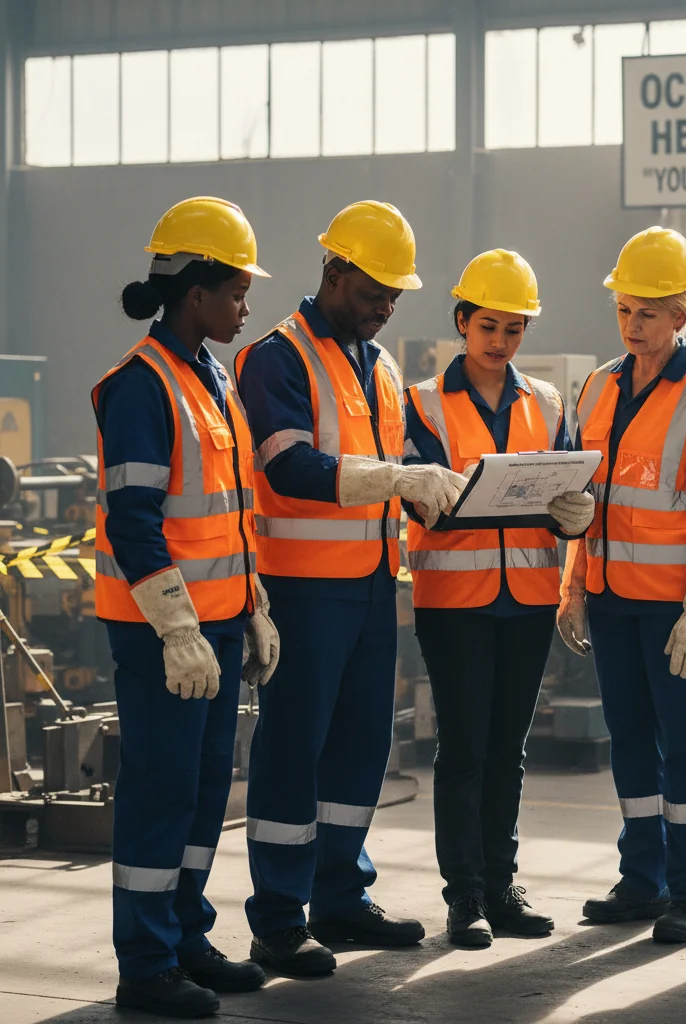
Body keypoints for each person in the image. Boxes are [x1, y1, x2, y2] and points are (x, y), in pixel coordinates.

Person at [234, 200, 466, 977]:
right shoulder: (275, 357)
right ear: (334, 273)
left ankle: (338, 896)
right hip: (302, 592)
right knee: (293, 753)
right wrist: (399, 476)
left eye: (395, 295)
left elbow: (406, 463)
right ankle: (276, 918)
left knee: (364, 749)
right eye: (375, 291)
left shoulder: (383, 363)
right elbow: (288, 467)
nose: (386, 306)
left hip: (371, 589)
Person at [93, 197, 278, 1018]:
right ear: (196, 292)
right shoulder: (140, 387)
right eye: (237, 290)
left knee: (206, 790)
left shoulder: (211, 379)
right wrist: (176, 627)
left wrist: (254, 608)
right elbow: (131, 521)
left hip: (218, 627)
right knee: (160, 793)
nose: (246, 306)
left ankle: (186, 935)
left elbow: (230, 515)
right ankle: (146, 963)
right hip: (163, 635)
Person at [557, 227, 686, 944]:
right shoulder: (600, 387)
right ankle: (644, 880)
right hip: (609, 601)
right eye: (625, 310)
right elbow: (584, 500)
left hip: (675, 610)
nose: (634, 326)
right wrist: (575, 590)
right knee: (631, 741)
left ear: (682, 316)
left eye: (650, 313)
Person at [404, 250, 593, 947]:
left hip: (528, 600)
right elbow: (423, 501)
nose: (500, 341)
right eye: (487, 325)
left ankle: (502, 887)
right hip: (454, 600)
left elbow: (567, 485)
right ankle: (466, 899)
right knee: (463, 750)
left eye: (513, 329)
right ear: (461, 322)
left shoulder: (545, 403)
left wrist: (578, 510)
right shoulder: (421, 404)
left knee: (508, 750)